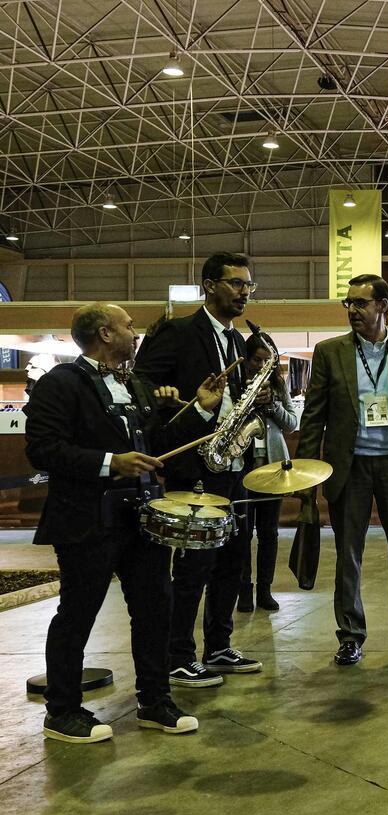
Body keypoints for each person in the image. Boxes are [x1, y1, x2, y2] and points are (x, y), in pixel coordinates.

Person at [26, 303, 224, 742]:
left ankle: (155, 701)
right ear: (104, 334)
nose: (136, 334)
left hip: (143, 519)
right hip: (86, 520)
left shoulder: (137, 384)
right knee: (77, 614)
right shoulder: (60, 384)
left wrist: (200, 410)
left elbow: (159, 444)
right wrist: (109, 462)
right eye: (129, 327)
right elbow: (42, 449)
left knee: (156, 609)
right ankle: (62, 711)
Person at [296, 274, 388, 666]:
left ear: (383, 306)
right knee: (348, 555)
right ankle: (350, 636)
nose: (353, 311)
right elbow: (314, 417)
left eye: (360, 303)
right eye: (349, 304)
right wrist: (307, 476)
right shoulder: (330, 352)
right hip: (350, 468)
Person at [135, 252, 264, 688]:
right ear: (209, 285)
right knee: (194, 567)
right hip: (192, 465)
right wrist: (169, 397)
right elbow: (143, 386)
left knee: (231, 560)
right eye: (235, 283)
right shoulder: (178, 332)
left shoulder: (238, 341)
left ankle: (219, 646)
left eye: (248, 285)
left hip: (231, 463)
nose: (243, 292)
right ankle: (178, 655)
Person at [238, 332, 299, 613]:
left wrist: (272, 404)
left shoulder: (278, 385)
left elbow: (291, 423)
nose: (262, 366)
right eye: (256, 360)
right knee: (241, 534)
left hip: (273, 467)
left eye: (267, 361)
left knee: (269, 532)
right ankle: (243, 591)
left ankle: (265, 590)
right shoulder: (236, 383)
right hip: (242, 465)